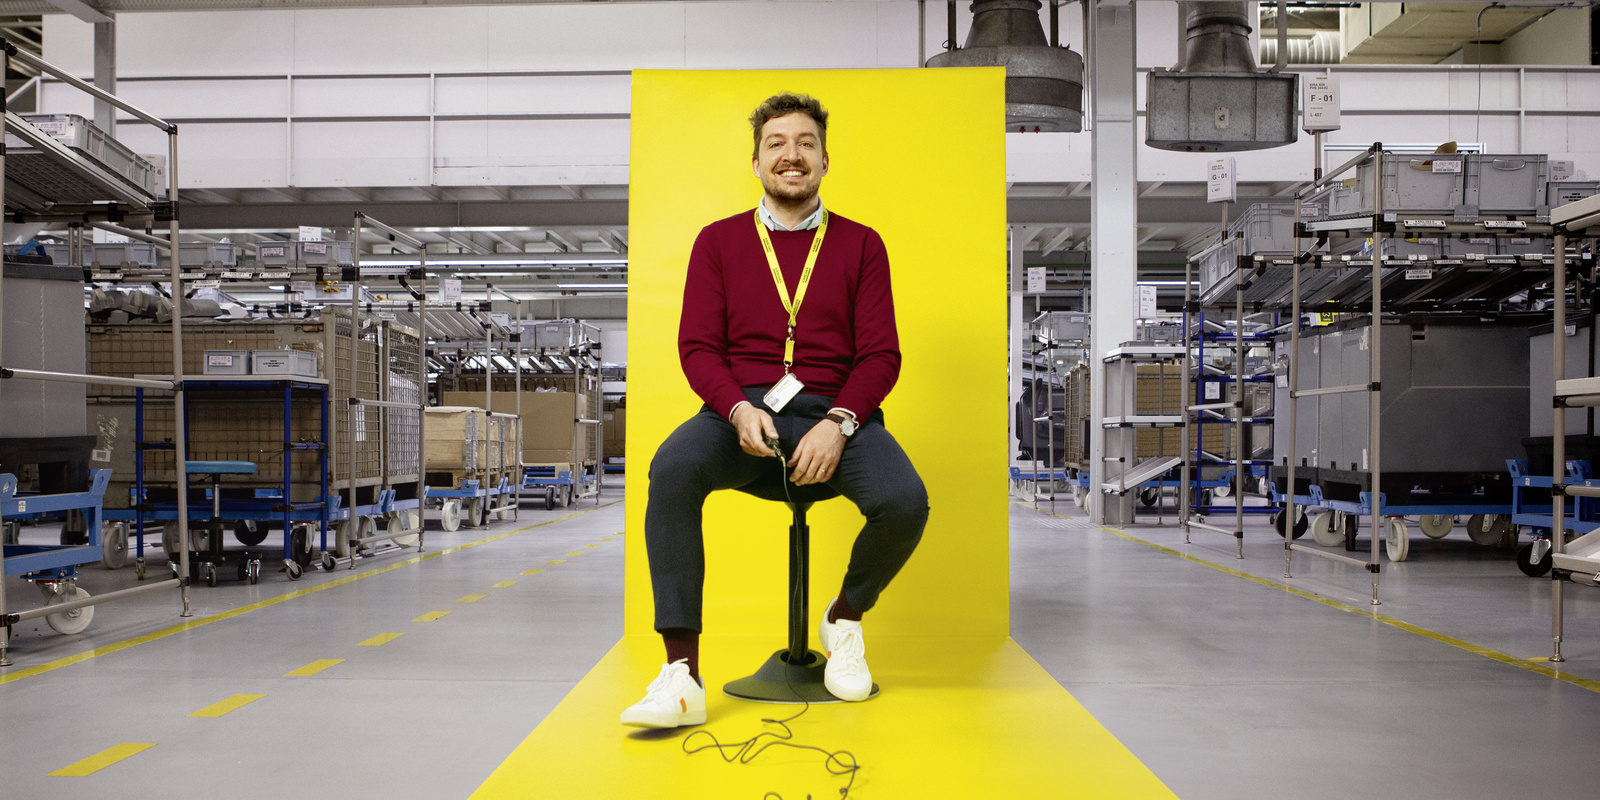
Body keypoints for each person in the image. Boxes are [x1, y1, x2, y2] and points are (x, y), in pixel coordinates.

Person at [621, 93, 930, 729]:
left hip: (836, 419)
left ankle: (845, 618)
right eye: (777, 144)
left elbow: (881, 355)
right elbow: (698, 347)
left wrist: (840, 422)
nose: (792, 155)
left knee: (905, 501)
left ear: (824, 159)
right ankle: (681, 675)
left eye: (806, 143)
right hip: (740, 418)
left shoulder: (863, 245)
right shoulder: (717, 242)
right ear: (757, 162)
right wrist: (734, 408)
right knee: (672, 470)